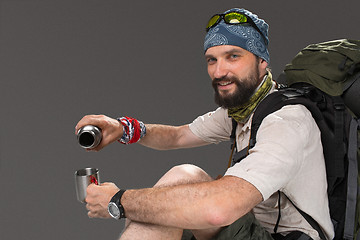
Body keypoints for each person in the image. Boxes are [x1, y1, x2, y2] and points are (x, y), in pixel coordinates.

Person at [75, 8, 334, 240]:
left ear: (261, 60)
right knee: (165, 207)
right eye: (212, 59)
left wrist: (118, 200)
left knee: (184, 179)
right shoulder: (241, 111)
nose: (219, 71)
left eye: (233, 56)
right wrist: (125, 128)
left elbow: (218, 210)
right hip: (251, 228)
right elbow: (178, 136)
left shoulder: (286, 121)